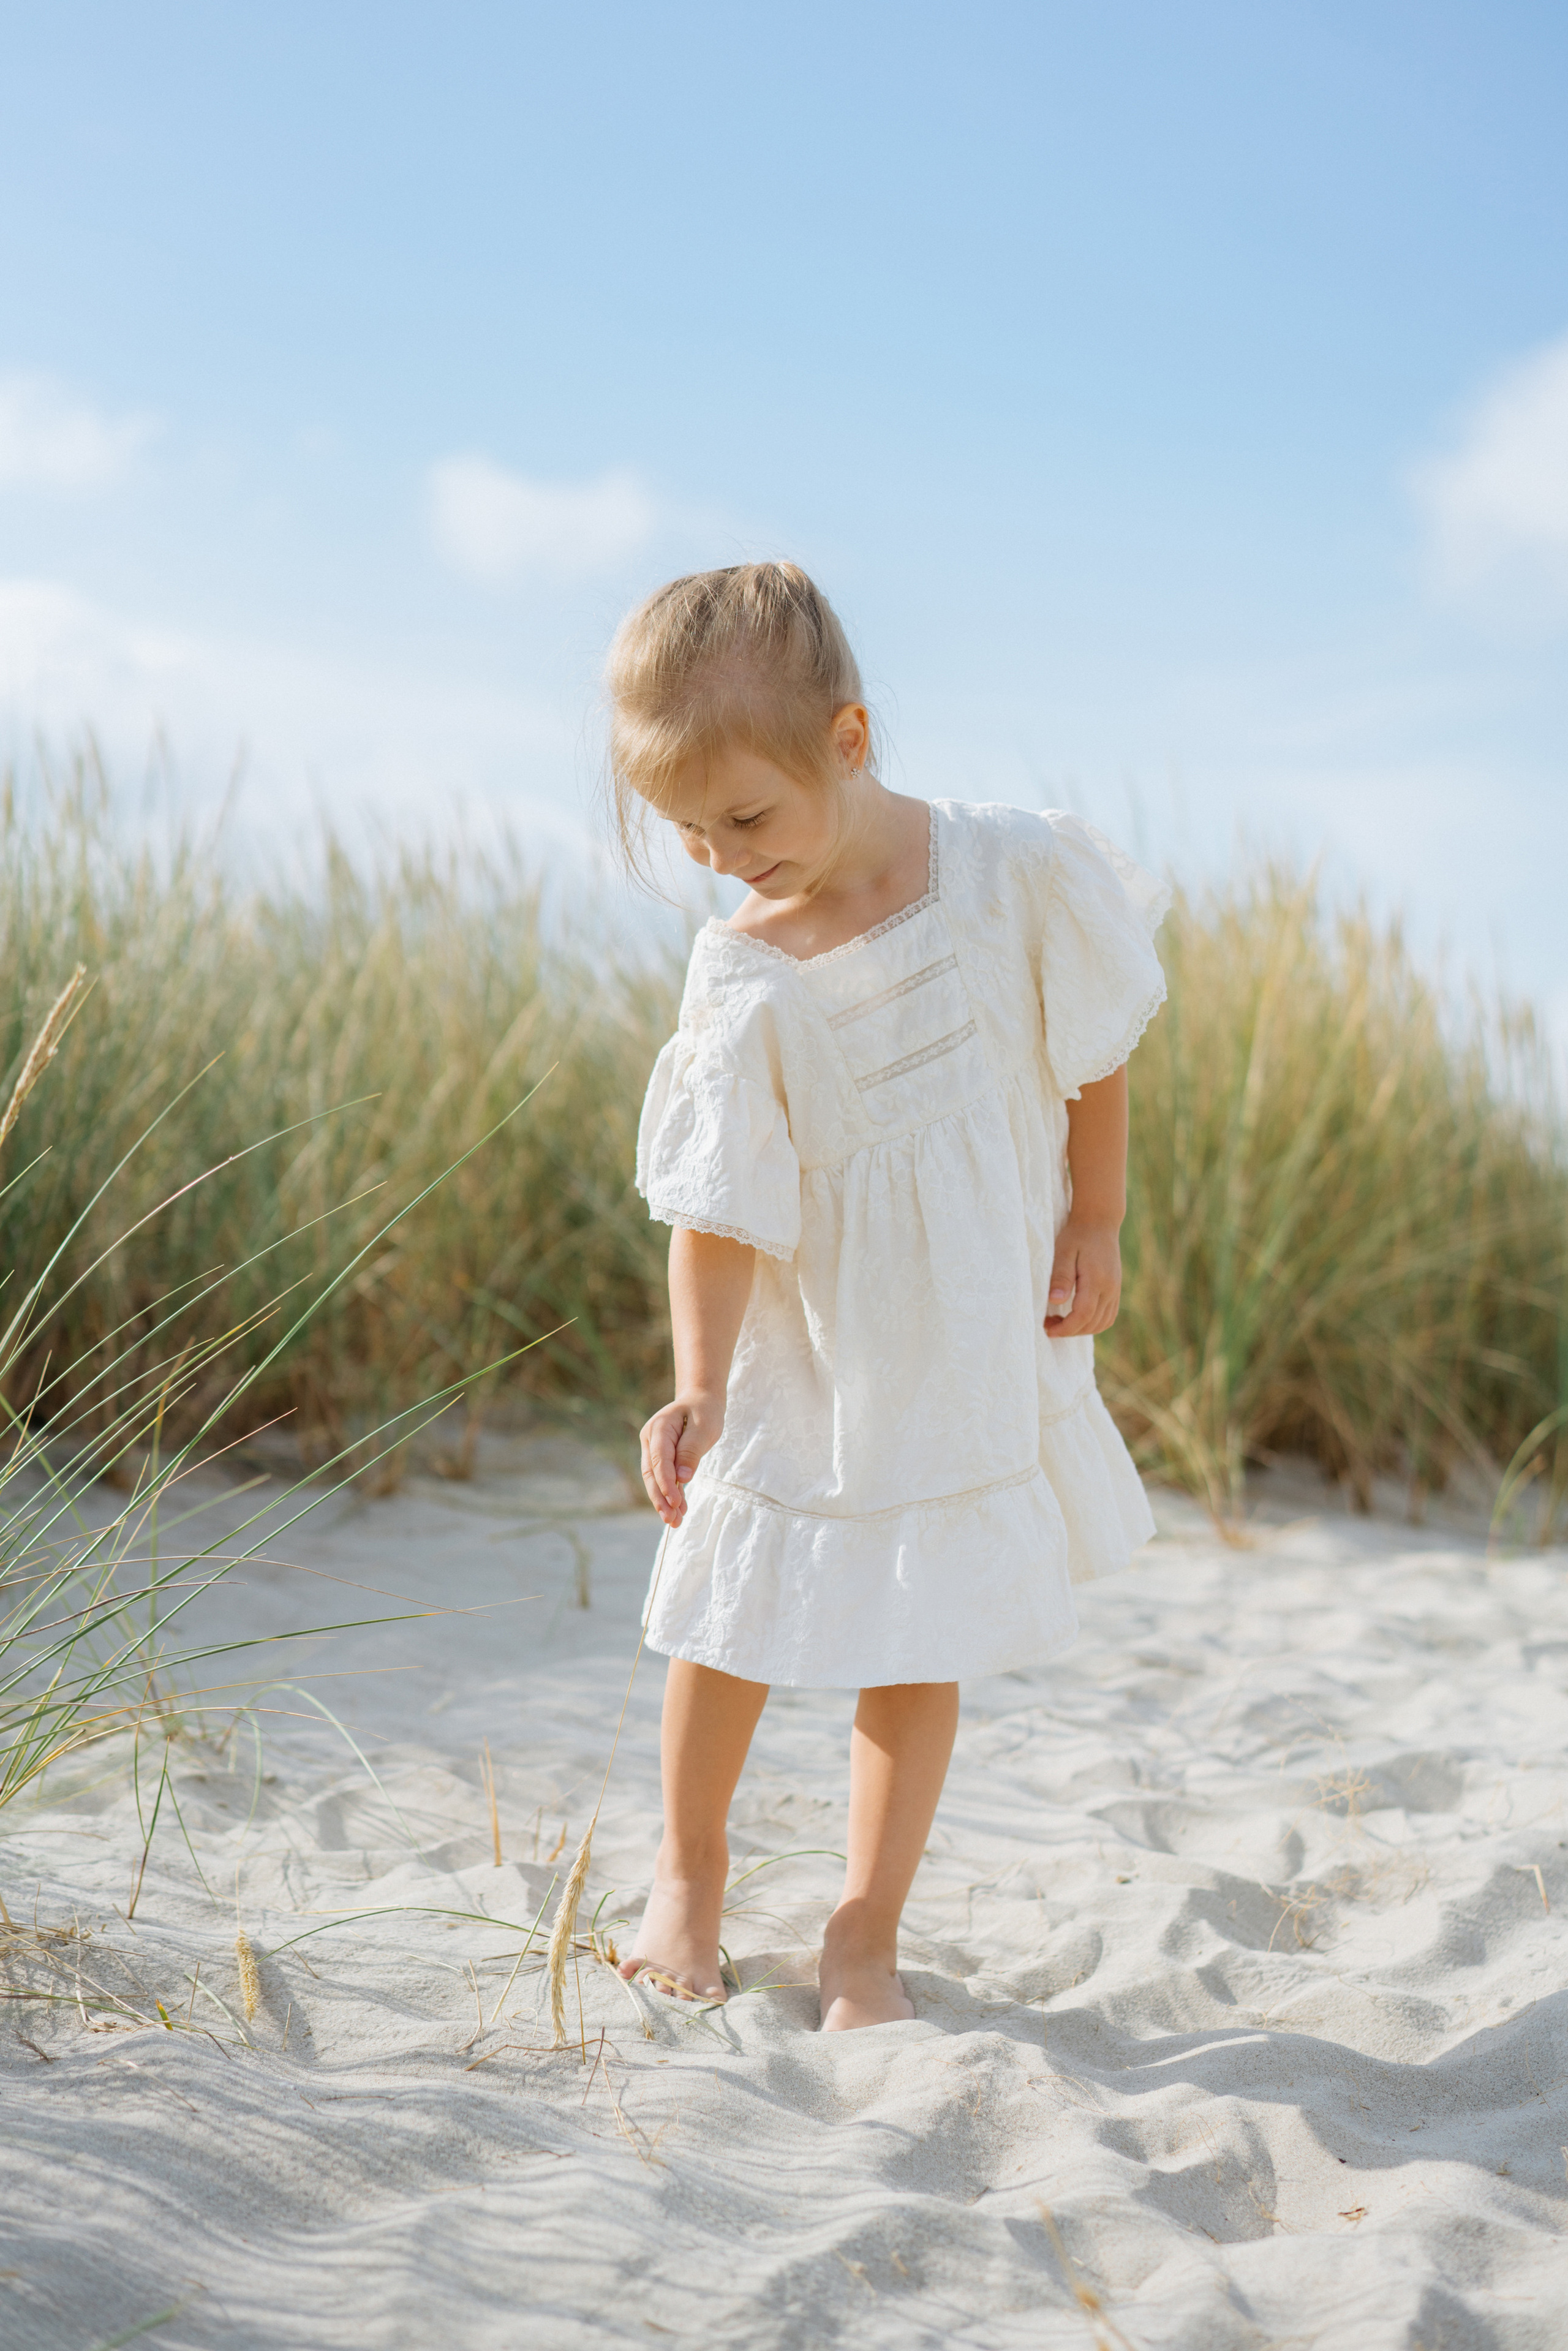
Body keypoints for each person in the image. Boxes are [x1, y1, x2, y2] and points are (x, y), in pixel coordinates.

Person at [607, 562, 1167, 2031]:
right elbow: (716, 1204)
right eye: (685, 830)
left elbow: (1090, 1042)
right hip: (808, 1343)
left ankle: (864, 1932)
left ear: (846, 742)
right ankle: (687, 1872)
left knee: (920, 1628)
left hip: (961, 1328)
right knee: (726, 1606)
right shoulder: (736, 968)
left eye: (745, 816)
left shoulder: (1004, 868)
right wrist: (699, 1380)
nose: (720, 856)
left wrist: (1095, 1217)